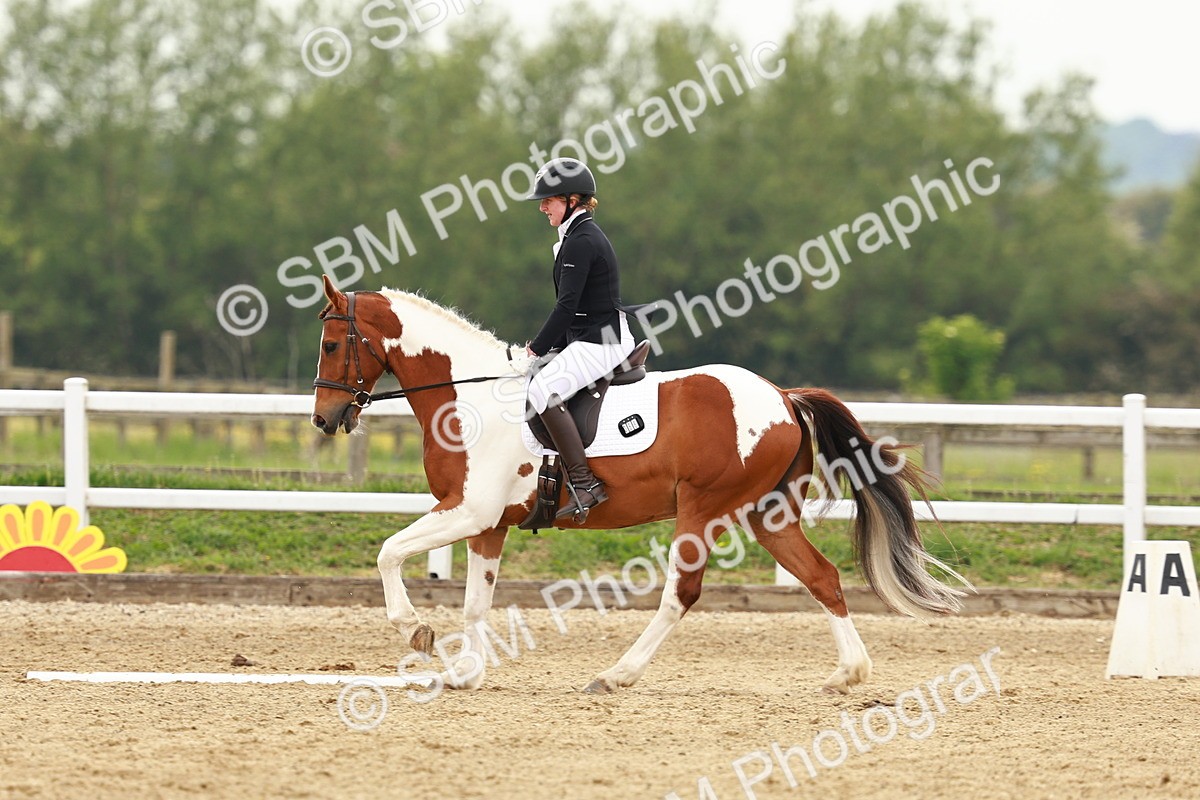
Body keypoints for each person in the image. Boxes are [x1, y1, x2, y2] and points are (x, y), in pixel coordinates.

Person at [524, 157, 635, 521]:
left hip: (600, 341)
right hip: (587, 336)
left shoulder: (582, 241)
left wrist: (536, 347)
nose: (543, 207)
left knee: (542, 390)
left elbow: (567, 306)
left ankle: (586, 483)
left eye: (549, 200)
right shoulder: (574, 236)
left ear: (573, 200)